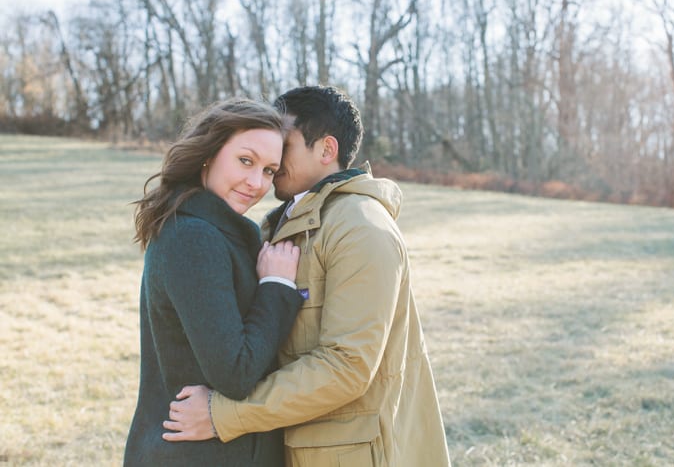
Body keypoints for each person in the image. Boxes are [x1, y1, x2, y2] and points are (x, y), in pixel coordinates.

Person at [163, 86, 451, 466]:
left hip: (354, 455)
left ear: (326, 150)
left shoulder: (360, 226)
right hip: (301, 447)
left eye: (285, 144)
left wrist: (223, 415)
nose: (274, 160)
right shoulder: (282, 223)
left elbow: (347, 366)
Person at [124, 98, 305, 466]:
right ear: (208, 153)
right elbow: (234, 373)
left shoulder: (212, 230)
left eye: (270, 170)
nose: (256, 183)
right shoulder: (194, 237)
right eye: (245, 160)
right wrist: (276, 286)